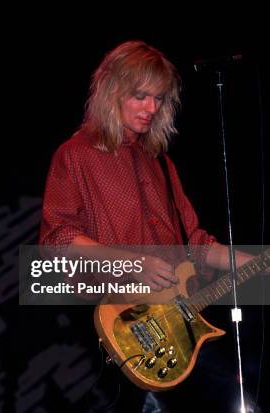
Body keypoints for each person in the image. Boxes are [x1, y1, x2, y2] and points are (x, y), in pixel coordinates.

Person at [39, 41, 261, 411]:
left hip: (178, 326)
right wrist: (134, 262)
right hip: (121, 328)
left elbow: (197, 245)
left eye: (159, 99)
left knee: (239, 399)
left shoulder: (160, 162)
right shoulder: (75, 155)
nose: (151, 109)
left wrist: (258, 261)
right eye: (140, 96)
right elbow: (56, 239)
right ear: (112, 90)